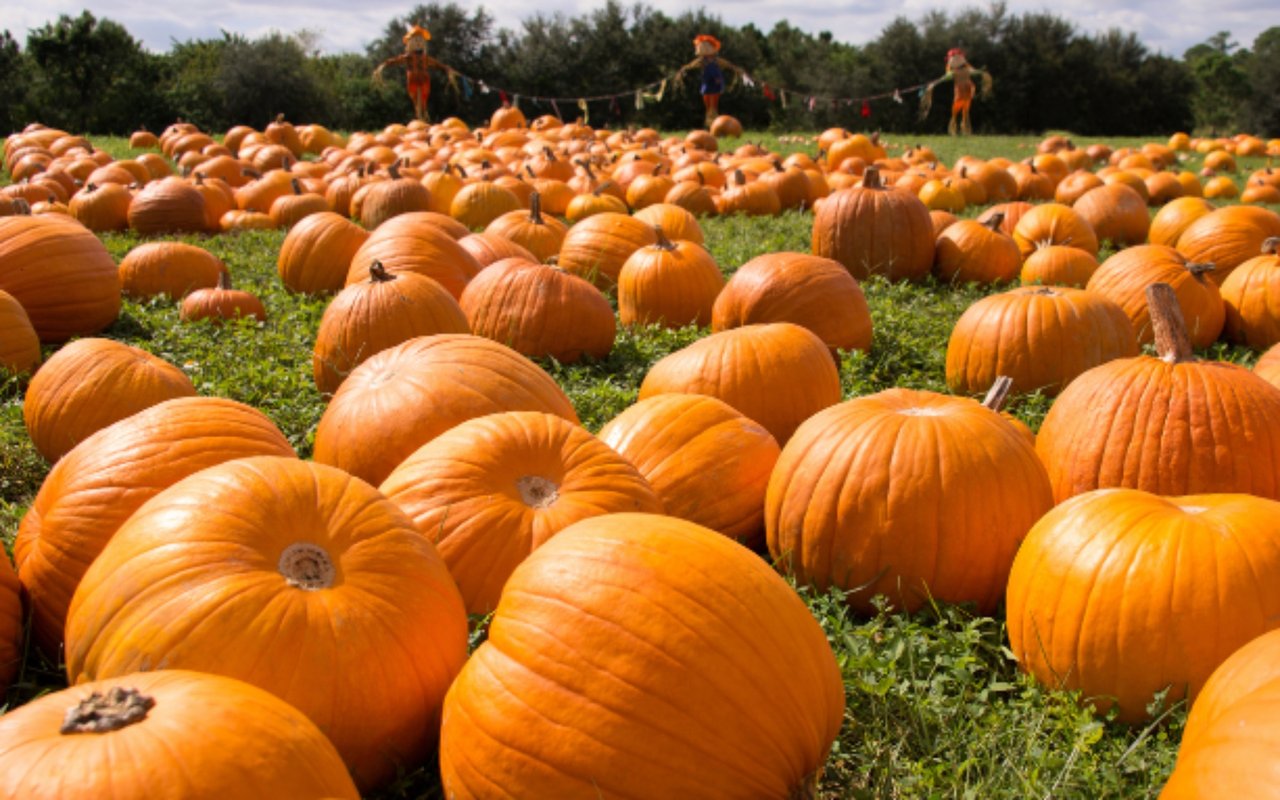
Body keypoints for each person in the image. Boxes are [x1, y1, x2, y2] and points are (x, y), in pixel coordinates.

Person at [373, 25, 457, 122]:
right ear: (411, 43)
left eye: (420, 41)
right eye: (416, 41)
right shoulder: (408, 57)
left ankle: (423, 118)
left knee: (424, 99)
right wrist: (385, 64)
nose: (418, 43)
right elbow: (397, 60)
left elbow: (436, 64)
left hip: (424, 79)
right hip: (412, 79)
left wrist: (446, 68)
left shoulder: (425, 58)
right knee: (415, 99)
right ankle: (419, 118)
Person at [677, 35, 746, 129]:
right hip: (706, 84)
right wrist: (684, 69)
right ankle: (709, 123)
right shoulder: (702, 61)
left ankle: (714, 124)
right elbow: (691, 65)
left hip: (715, 84)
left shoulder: (716, 61)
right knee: (707, 105)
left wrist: (736, 69)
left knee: (713, 105)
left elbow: (728, 65)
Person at [920, 48, 993, 136]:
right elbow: (943, 79)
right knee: (957, 110)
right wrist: (933, 84)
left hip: (966, 92)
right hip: (962, 92)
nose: (956, 59)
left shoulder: (965, 70)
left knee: (964, 111)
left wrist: (983, 73)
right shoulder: (954, 73)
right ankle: (956, 127)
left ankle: (964, 129)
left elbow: (976, 72)